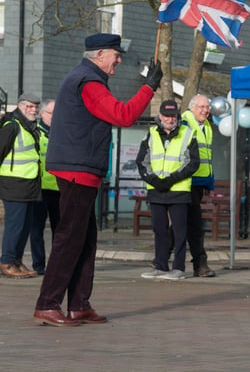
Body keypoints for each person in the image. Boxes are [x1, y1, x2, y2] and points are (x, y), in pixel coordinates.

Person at [34, 33, 163, 327]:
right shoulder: (88, 82)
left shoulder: (84, 78)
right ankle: (47, 303)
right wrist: (149, 86)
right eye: (116, 55)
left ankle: (79, 304)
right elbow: (124, 115)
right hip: (77, 170)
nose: (119, 60)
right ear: (100, 54)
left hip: (79, 168)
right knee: (69, 238)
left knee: (84, 238)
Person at [137, 100, 199, 280]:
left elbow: (192, 163)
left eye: (172, 116)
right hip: (157, 190)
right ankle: (160, 266)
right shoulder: (150, 134)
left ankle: (178, 268)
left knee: (180, 231)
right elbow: (142, 162)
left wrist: (171, 179)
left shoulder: (188, 134)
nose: (170, 120)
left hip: (179, 190)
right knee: (159, 230)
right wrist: (154, 180)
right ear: (160, 116)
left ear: (177, 116)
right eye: (166, 116)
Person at [0, 93, 42, 279]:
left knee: (25, 226)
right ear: (20, 106)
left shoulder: (30, 127)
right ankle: (7, 261)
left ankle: (16, 261)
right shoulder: (12, 126)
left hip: (29, 185)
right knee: (15, 226)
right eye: (29, 106)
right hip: (13, 185)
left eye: (35, 107)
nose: (33, 110)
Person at [181, 94, 216, 277]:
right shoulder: (185, 124)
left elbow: (207, 158)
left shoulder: (207, 126)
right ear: (192, 107)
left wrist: (208, 183)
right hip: (186, 181)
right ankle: (199, 264)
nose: (205, 110)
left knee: (184, 222)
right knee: (193, 224)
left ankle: (161, 260)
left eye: (207, 107)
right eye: (201, 107)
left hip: (198, 183)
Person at [31, 99, 60, 275]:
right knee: (36, 230)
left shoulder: (62, 133)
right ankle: (38, 265)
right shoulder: (35, 133)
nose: (55, 117)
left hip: (58, 189)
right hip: (39, 189)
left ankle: (57, 265)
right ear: (42, 114)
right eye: (51, 113)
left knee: (59, 231)